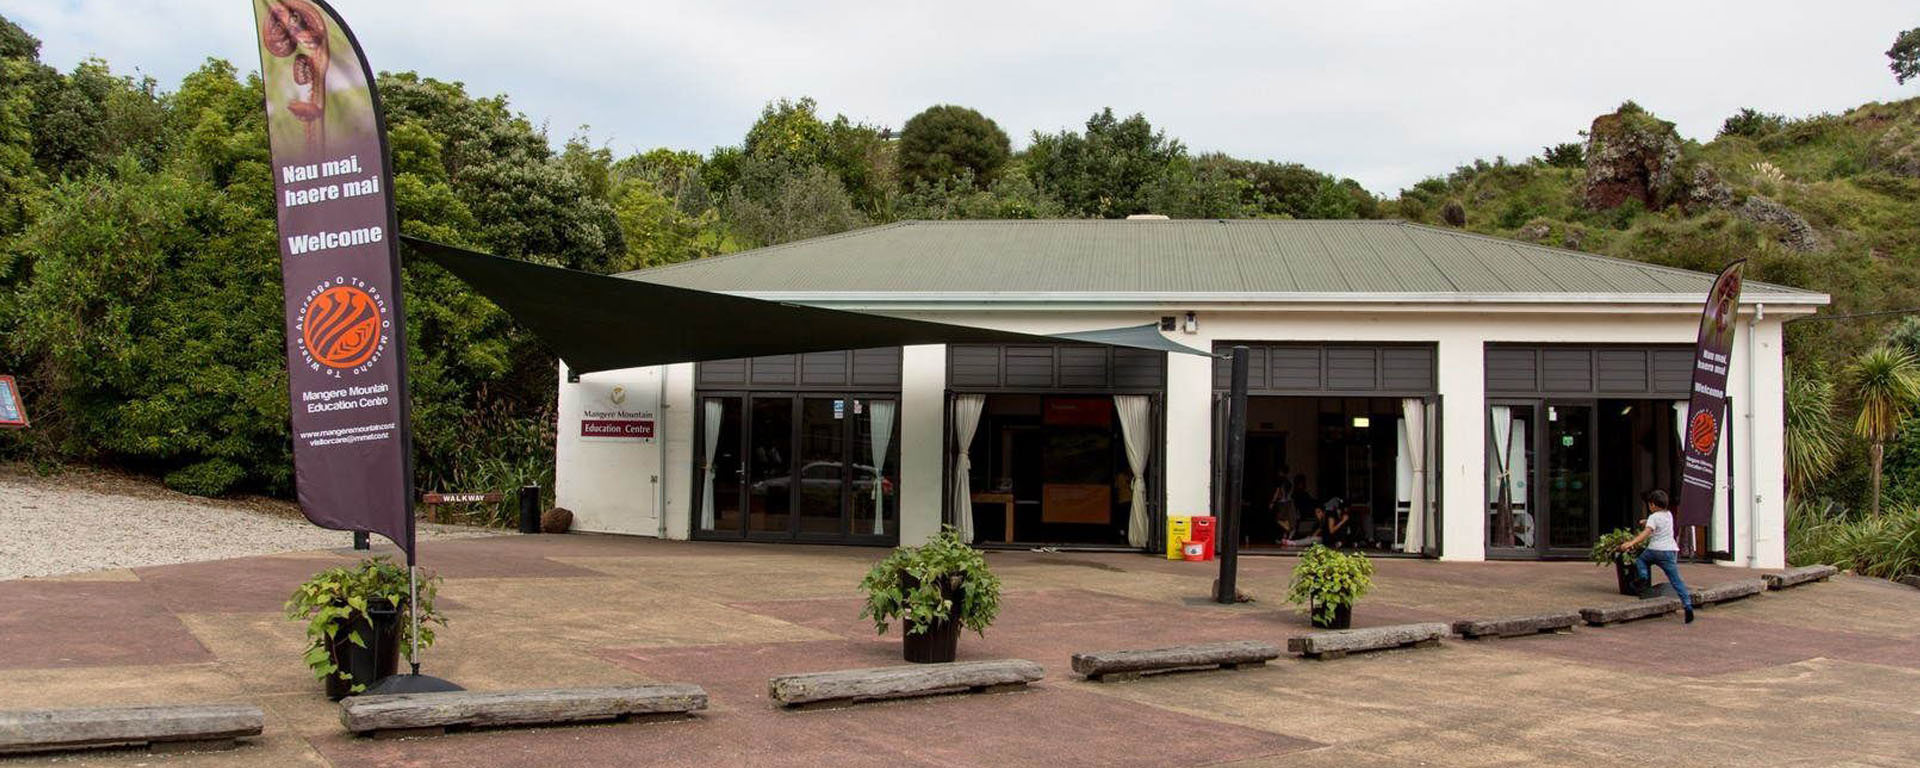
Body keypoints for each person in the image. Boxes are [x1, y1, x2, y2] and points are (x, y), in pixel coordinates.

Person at [1616, 489, 1694, 624]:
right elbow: (1659, 522)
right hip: (1670, 551)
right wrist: (1646, 521)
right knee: (1676, 580)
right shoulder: (1669, 514)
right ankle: (1687, 606)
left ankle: (1643, 576)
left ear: (1652, 505)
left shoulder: (1653, 517)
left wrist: (1631, 543)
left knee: (1641, 560)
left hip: (1655, 550)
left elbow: (1647, 532)